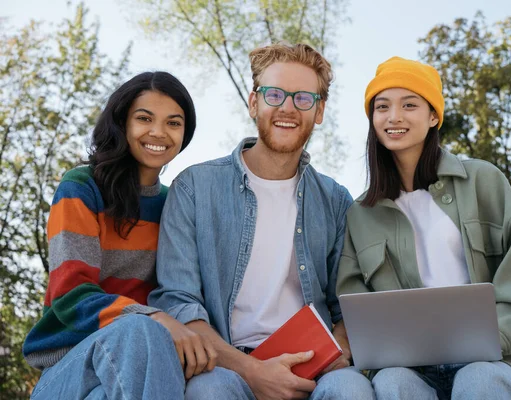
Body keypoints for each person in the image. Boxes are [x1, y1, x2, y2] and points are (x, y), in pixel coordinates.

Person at [336, 57, 511, 400]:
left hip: (492, 359)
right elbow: (355, 306)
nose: (394, 117)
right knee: (391, 382)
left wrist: (488, 339)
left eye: (410, 104)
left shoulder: (483, 181)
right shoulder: (360, 214)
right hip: (411, 368)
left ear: (434, 116)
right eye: (382, 107)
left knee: (478, 380)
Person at [149, 43, 375, 400]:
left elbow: (348, 301)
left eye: (303, 98)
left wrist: (339, 352)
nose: (287, 107)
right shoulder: (194, 188)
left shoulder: (335, 201)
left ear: (319, 111)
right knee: (210, 393)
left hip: (311, 363)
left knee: (351, 389)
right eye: (274, 95)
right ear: (255, 102)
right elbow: (179, 302)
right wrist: (253, 372)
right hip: (223, 363)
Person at [23, 72, 216, 400]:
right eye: (144, 118)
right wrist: (154, 317)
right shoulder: (81, 188)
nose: (158, 132)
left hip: (144, 373)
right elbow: (71, 296)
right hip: (70, 368)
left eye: (173, 123)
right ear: (122, 123)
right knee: (140, 331)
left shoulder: (177, 204)